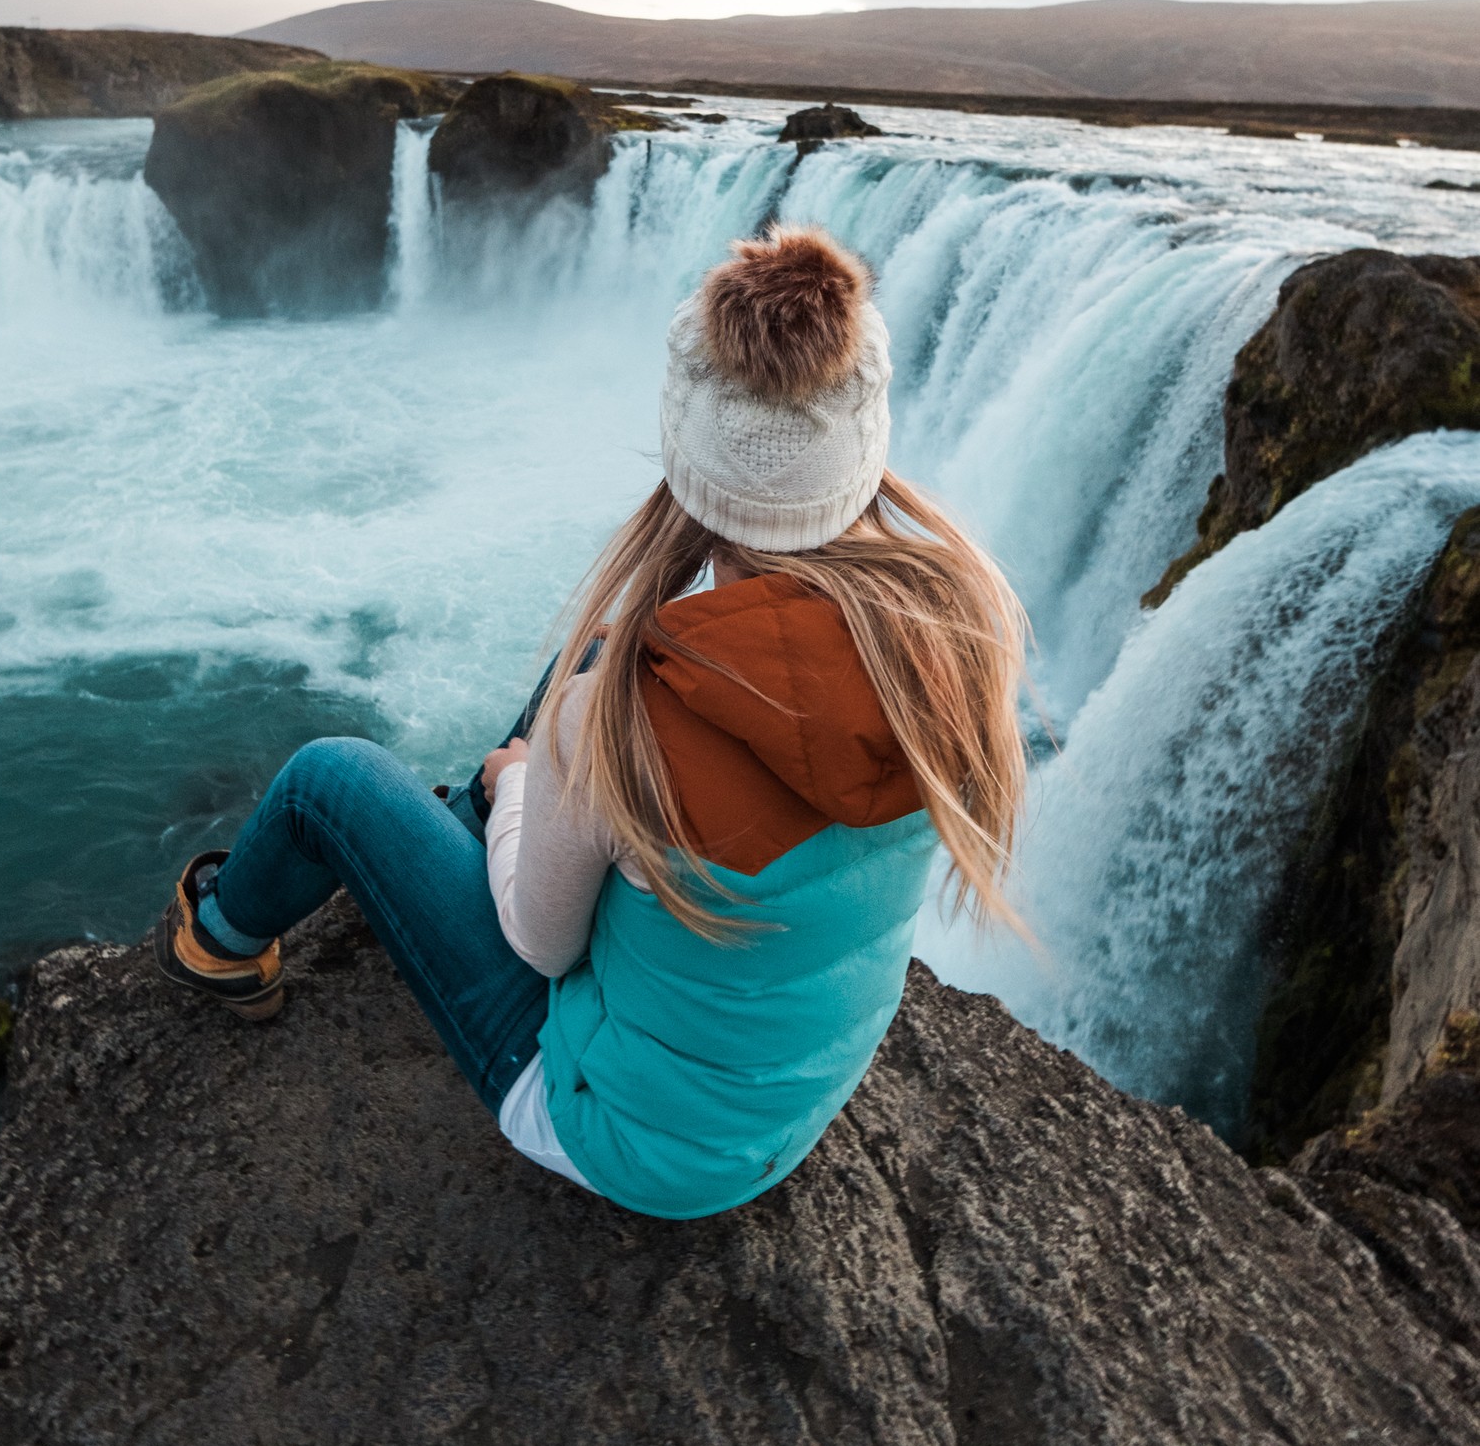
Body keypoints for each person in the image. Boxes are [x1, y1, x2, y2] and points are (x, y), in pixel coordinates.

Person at [153, 224, 1027, 1220]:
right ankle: (469, 818)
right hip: (782, 1118)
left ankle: (218, 940)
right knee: (608, 649)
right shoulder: (956, 653)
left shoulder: (616, 725)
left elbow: (540, 943)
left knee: (332, 778)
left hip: (610, 1129)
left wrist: (521, 781)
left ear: (686, 461)